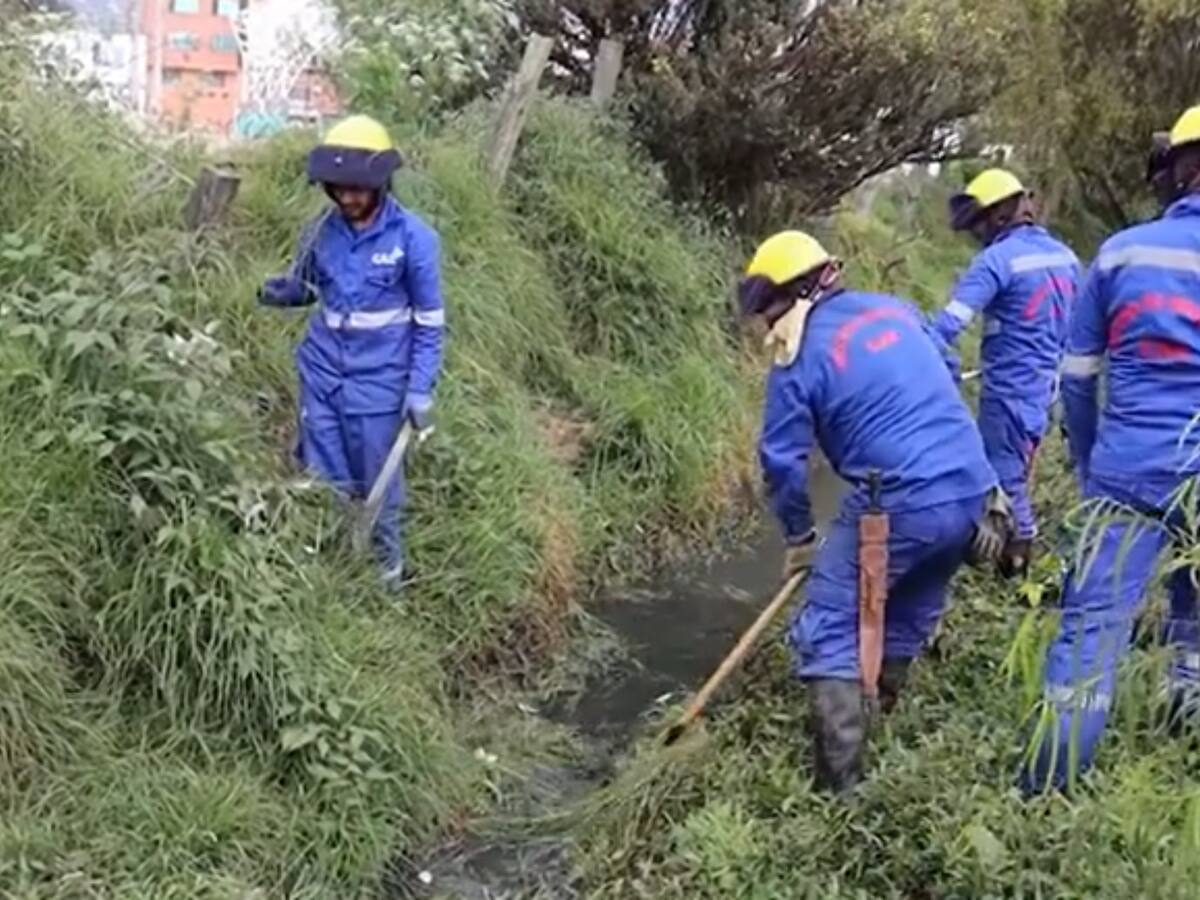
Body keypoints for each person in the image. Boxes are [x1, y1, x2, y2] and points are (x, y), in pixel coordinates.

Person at [742, 231, 1007, 793]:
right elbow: (946, 359)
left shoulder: (799, 357)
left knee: (828, 622)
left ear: (792, 295)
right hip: (970, 484)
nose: (767, 325)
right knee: (909, 600)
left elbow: (782, 461)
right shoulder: (894, 309)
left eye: (767, 309)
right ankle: (883, 707)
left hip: (898, 497)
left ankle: (840, 791)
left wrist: (799, 537)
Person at [1023, 105, 1200, 792]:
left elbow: (1076, 383)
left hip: (1128, 472)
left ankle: (1045, 797)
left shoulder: (1122, 252)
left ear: (1179, 170)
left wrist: (1094, 463)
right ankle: (1186, 735)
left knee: (1091, 634)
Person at [258, 115, 445, 589]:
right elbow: (308, 288)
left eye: (357, 189)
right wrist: (282, 293)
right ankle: (333, 574)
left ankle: (387, 580)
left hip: (378, 384)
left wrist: (420, 389)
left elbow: (429, 324)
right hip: (321, 376)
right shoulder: (320, 230)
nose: (347, 198)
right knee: (324, 477)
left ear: (380, 184)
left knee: (378, 488)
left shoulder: (414, 240)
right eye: (338, 188)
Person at [936, 169, 1081, 576]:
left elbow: (948, 325)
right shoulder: (1066, 257)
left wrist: (922, 357)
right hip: (1051, 389)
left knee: (1004, 477)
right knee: (1018, 467)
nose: (976, 235)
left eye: (977, 224)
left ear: (998, 216)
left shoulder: (996, 260)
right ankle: (1011, 546)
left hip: (1011, 391)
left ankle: (1014, 563)